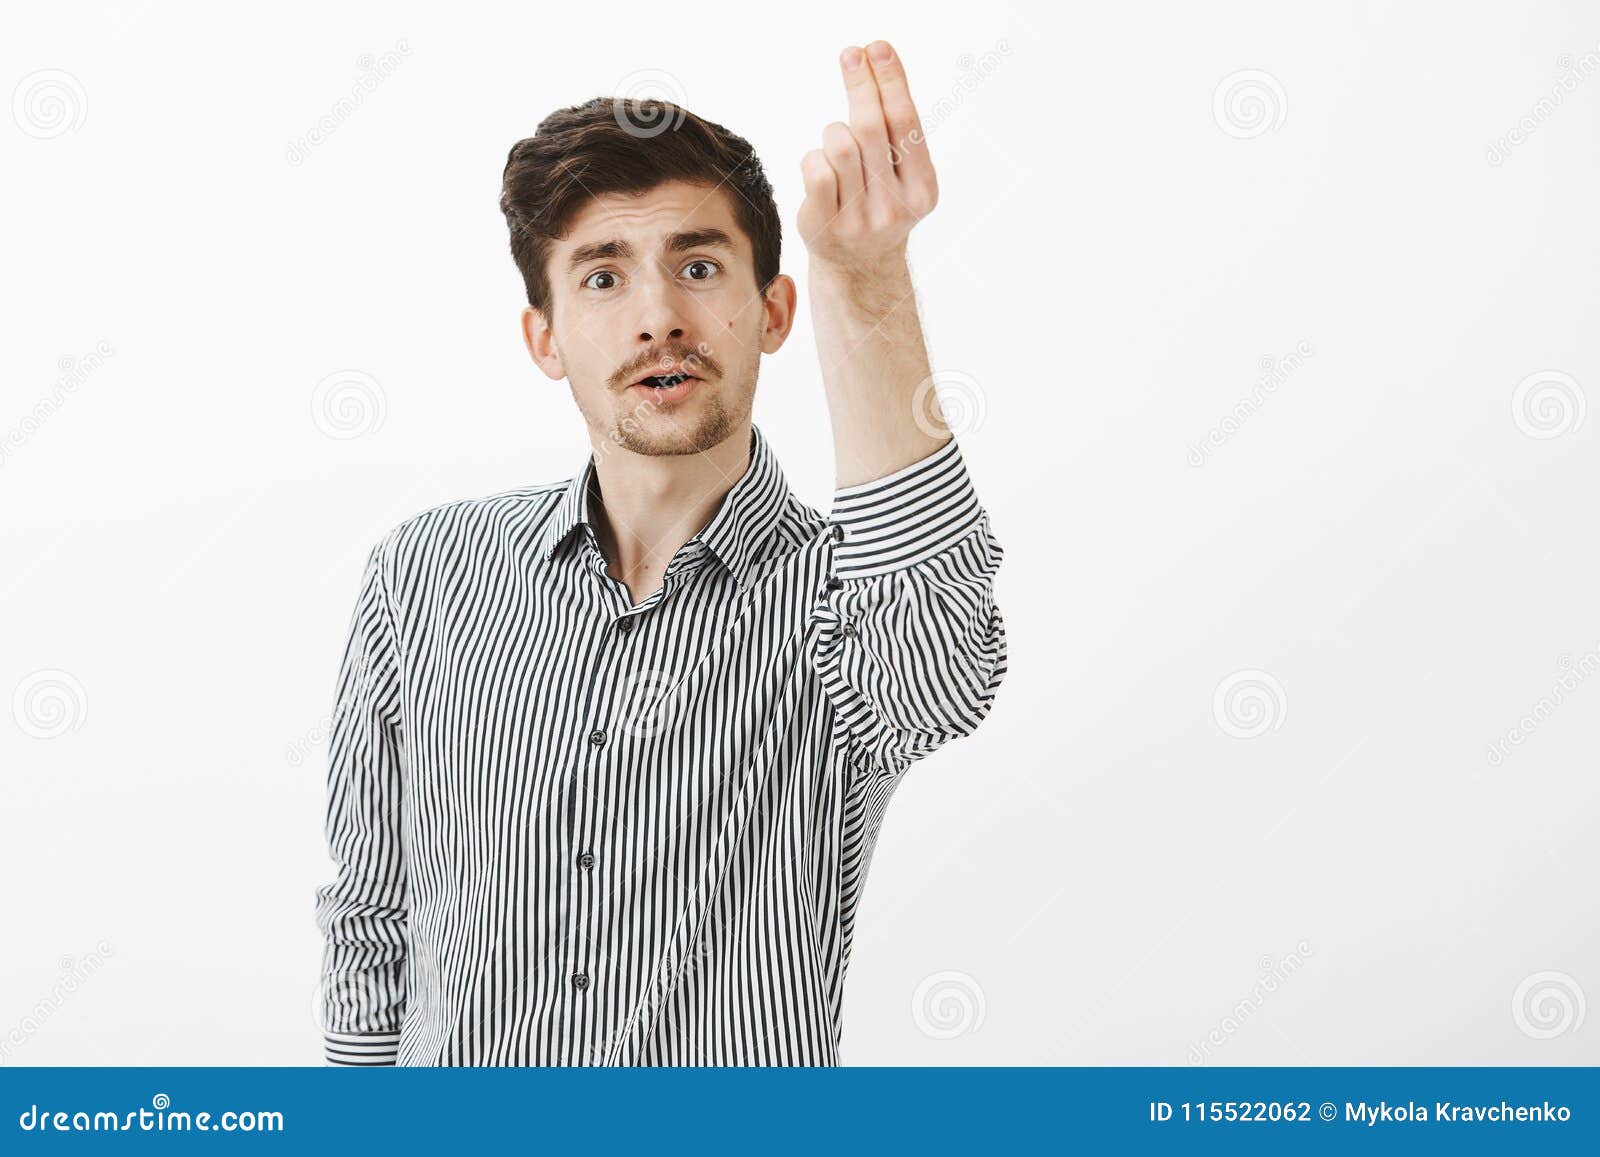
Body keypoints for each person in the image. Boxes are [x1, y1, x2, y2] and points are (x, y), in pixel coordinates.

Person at [315, 39, 1008, 1066]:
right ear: (543, 338)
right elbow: (371, 915)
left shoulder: (839, 594)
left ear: (772, 310)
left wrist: (862, 280)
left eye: (697, 266)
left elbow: (938, 681)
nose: (658, 318)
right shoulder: (423, 573)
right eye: (602, 278)